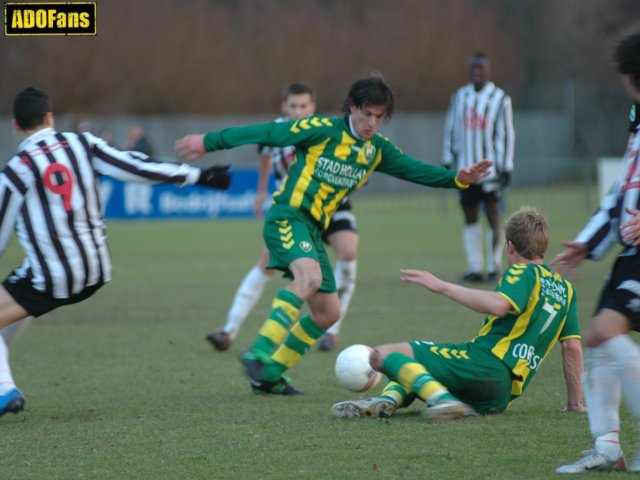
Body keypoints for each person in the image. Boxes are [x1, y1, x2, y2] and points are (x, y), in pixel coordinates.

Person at [176, 74, 492, 395]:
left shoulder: (377, 150)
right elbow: (266, 132)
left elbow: (416, 170)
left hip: (313, 231)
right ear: (352, 107)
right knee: (309, 278)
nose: (372, 123)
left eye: (379, 117)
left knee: (328, 313)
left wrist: (458, 179)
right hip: (288, 217)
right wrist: (208, 141)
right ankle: (258, 351)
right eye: (366, 113)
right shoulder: (321, 129)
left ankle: (270, 373)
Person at [0, 87, 231, 417]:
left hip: (53, 276)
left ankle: (5, 389)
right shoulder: (83, 144)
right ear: (49, 118)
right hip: (96, 269)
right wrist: (197, 174)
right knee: (11, 306)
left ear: (15, 125)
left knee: (15, 297)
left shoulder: (15, 171)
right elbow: (135, 166)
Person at [331, 206, 584, 421]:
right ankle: (386, 401)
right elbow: (572, 348)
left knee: (383, 355)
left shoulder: (521, 273)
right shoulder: (567, 291)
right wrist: (575, 404)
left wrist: (441, 286)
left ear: (510, 246)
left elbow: (499, 305)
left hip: (483, 366)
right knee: (413, 366)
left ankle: (441, 400)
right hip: (501, 396)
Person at [206, 82, 358, 353]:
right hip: (294, 210)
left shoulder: (325, 130)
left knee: (347, 252)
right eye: (293, 105)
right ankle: (229, 330)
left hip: (331, 206)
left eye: (303, 106)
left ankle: (332, 330)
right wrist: (262, 191)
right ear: (283, 106)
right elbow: (265, 159)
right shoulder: (275, 132)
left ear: (312, 107)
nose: (298, 110)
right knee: (267, 262)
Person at [554, 32, 640, 474]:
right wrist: (588, 242)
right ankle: (608, 447)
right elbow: (622, 190)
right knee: (599, 340)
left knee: (604, 334)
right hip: (629, 254)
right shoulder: (637, 117)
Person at [443, 52, 515, 283]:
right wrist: (447, 158)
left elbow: (506, 133)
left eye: (480, 67)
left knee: (494, 215)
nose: (476, 71)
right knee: (469, 215)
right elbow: (451, 129)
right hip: (465, 169)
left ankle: (495, 266)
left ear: (488, 70)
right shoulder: (459, 97)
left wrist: (507, 165)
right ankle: (475, 267)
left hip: (490, 170)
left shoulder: (500, 98)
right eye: (472, 67)